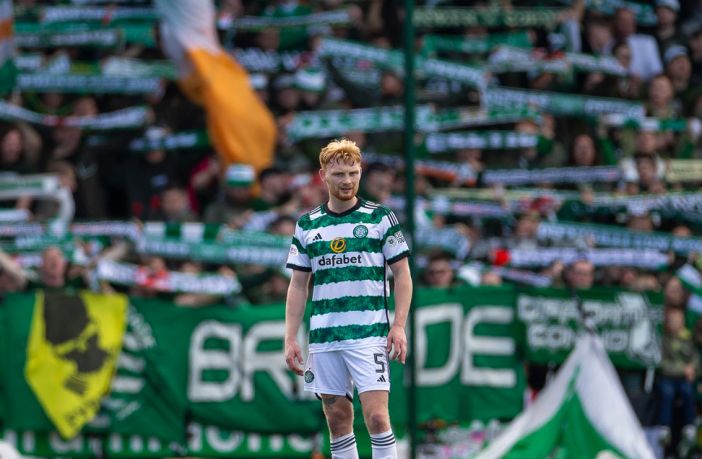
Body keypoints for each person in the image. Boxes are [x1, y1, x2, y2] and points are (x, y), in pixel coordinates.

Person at [284, 139, 412, 459]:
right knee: (338, 421)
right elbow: (298, 285)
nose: (347, 180)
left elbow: (402, 274)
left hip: (369, 334)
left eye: (353, 173)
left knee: (377, 417)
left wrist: (398, 325)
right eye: (339, 174)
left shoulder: (379, 217)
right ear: (323, 175)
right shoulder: (307, 224)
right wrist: (290, 337)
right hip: (325, 337)